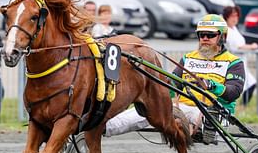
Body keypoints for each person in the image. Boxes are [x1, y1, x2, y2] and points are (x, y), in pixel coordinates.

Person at [104, 14, 245, 143]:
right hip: (182, 108)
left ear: (223, 37)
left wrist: (211, 86)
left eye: (210, 35)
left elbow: (234, 92)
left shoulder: (234, 62)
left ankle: (203, 127)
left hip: (213, 110)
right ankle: (102, 127)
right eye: (201, 35)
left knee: (204, 115)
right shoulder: (189, 58)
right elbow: (172, 86)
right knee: (150, 107)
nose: (205, 39)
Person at [222, 5, 258, 106]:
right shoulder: (227, 30)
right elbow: (236, 47)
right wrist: (251, 46)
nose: (235, 19)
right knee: (242, 85)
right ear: (227, 17)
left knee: (250, 83)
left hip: (242, 62)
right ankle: (240, 107)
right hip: (233, 63)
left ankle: (243, 107)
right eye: (232, 16)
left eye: (236, 16)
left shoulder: (234, 29)